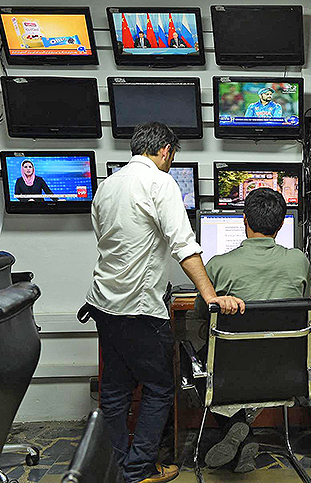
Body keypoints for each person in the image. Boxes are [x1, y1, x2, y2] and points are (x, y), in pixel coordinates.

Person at [85, 122, 242, 483]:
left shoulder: (107, 185)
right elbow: (184, 246)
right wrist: (210, 295)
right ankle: (138, 470)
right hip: (140, 308)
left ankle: (119, 466)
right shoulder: (160, 182)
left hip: (104, 305)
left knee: (115, 391)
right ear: (166, 151)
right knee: (158, 389)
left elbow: (107, 241)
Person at [193, 187, 311, 472]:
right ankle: (246, 438)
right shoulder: (300, 261)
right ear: (281, 225)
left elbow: (200, 313)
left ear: (244, 220)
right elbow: (303, 302)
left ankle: (237, 427)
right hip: (285, 373)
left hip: (231, 374)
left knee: (195, 361)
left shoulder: (218, 265)